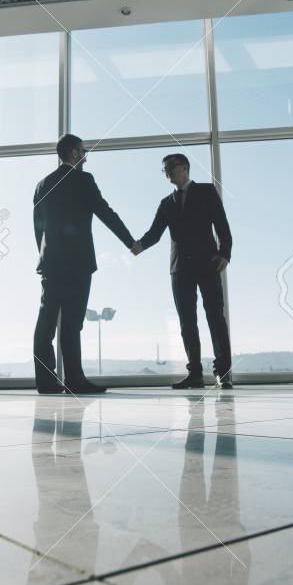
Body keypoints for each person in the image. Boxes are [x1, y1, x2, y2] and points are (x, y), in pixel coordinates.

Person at [32, 134, 136, 395]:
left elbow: (38, 227)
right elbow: (105, 212)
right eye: (83, 151)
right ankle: (75, 380)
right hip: (77, 262)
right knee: (72, 321)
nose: (86, 155)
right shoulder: (83, 180)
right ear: (75, 154)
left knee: (46, 320)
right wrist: (130, 242)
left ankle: (46, 382)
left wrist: (43, 256)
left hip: (51, 263)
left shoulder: (42, 184)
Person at [131, 153, 233, 389]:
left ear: (185, 167)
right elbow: (154, 234)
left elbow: (222, 225)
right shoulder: (166, 203)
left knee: (215, 318)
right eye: (164, 169)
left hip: (208, 264)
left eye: (170, 167)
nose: (167, 172)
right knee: (187, 321)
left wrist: (225, 253)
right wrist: (139, 245)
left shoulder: (207, 191)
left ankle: (222, 374)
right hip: (180, 269)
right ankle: (195, 374)